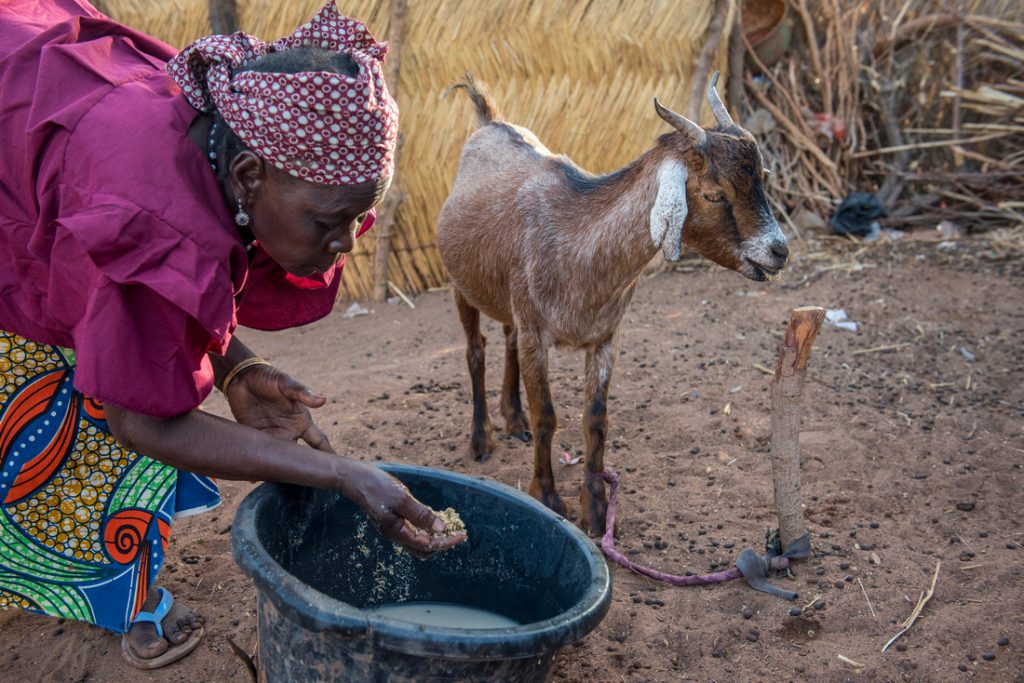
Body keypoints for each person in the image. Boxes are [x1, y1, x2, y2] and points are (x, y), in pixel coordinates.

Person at [0, 0, 466, 670]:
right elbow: (143, 418)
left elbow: (161, 294)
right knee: (59, 416)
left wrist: (237, 367)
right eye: (330, 221)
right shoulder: (148, 204)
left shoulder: (216, 137)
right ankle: (97, 586)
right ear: (251, 175)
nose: (344, 246)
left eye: (360, 219)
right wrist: (342, 475)